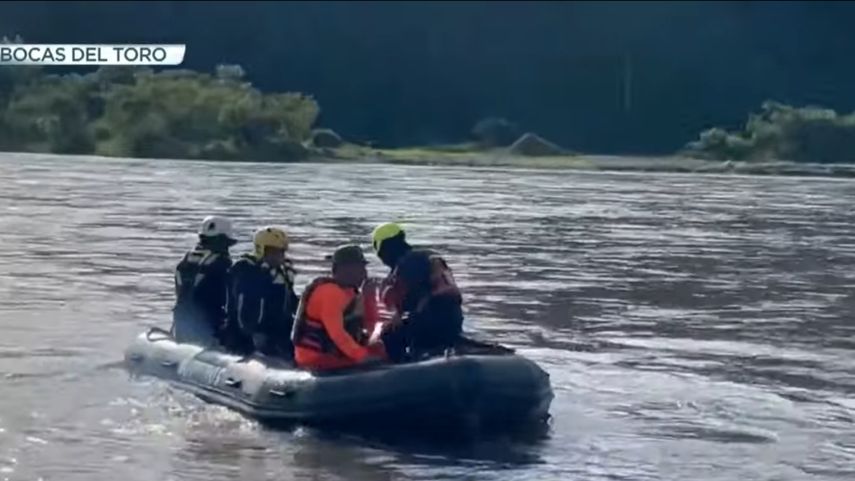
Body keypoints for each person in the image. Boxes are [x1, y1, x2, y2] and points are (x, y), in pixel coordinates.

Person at [369, 222, 464, 362]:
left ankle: (398, 367)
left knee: (388, 334)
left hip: (428, 324)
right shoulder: (429, 256)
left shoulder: (405, 265)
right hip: (454, 320)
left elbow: (401, 303)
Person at [292, 245, 385, 371]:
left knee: (381, 350)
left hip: (336, 353)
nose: (365, 273)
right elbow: (337, 333)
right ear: (346, 269)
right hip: (316, 357)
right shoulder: (329, 292)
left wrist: (370, 298)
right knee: (376, 360)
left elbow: (368, 326)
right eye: (361, 267)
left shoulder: (351, 292)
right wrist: (362, 356)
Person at [224, 226, 299, 358]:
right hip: (248, 335)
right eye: (273, 252)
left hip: (278, 331)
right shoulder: (247, 272)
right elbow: (244, 314)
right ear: (261, 250)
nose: (279, 256)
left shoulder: (282, 273)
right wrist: (254, 338)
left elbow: (292, 303)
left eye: (281, 252)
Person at [171, 215, 238, 346]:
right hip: (207, 328)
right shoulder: (222, 263)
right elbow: (229, 300)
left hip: (181, 324)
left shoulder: (186, 260)